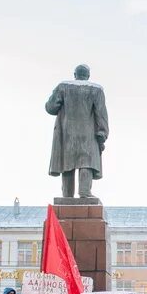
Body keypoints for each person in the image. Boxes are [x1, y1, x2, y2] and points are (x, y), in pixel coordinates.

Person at [45, 63, 109, 198]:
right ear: (88, 76)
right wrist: (102, 133)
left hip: (66, 133)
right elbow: (101, 114)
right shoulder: (96, 90)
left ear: (75, 75)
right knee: (86, 162)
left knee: (67, 163)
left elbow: (51, 108)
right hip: (88, 134)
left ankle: (67, 195)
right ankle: (85, 192)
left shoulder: (63, 87)